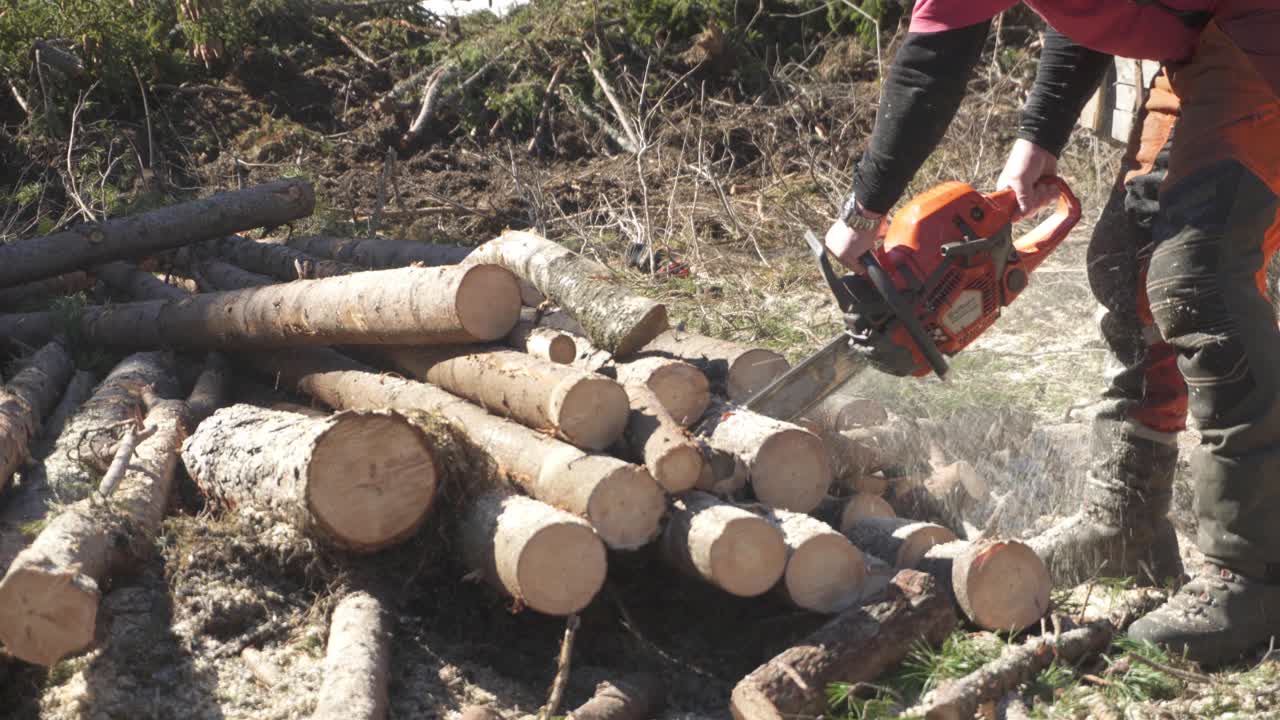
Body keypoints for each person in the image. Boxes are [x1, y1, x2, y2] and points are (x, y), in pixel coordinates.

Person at [824, 0, 1279, 667]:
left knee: (1197, 272)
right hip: (1214, 37)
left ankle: (1255, 577)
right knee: (1132, 255)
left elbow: (937, 56)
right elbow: (1093, 11)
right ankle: (1125, 521)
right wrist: (1039, 138)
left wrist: (864, 209)